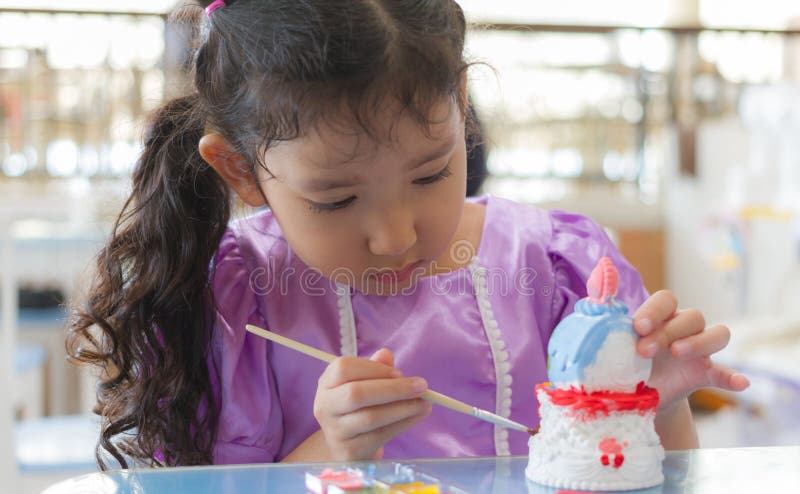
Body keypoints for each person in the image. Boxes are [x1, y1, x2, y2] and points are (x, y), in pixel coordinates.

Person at [67, 0, 748, 469]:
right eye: (336, 199)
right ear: (241, 170)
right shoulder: (233, 309)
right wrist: (333, 449)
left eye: (430, 174)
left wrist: (656, 409)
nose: (395, 236)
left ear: (459, 109)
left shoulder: (560, 271)